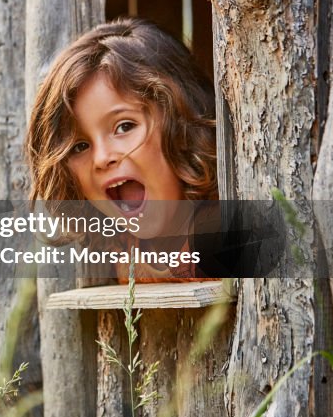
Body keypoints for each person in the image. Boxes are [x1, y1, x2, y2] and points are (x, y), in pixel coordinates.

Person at [25, 18, 218, 281]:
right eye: (80, 146)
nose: (103, 158)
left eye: (125, 126)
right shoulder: (122, 250)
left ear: (182, 124)